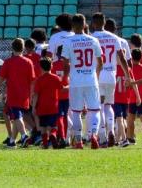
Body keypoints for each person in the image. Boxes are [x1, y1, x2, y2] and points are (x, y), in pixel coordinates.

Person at [90, 13, 131, 148]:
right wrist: (127, 75)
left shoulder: (91, 38)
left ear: (94, 24)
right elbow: (122, 58)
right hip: (111, 75)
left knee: (99, 106)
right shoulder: (114, 38)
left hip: (97, 75)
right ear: (104, 22)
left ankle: (102, 136)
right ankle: (111, 131)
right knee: (109, 105)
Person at [63, 14, 103, 149]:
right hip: (91, 79)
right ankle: (93, 135)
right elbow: (100, 62)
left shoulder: (68, 41)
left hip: (76, 81)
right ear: (85, 24)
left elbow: (66, 63)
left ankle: (79, 141)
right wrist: (95, 75)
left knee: (76, 112)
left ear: (73, 26)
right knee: (95, 110)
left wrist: (66, 77)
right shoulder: (93, 40)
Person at [0, 38, 37, 147]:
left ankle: (24, 136)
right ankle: (12, 141)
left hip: (13, 94)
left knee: (17, 117)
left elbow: (0, 78)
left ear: (12, 48)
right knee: (18, 117)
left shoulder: (8, 62)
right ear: (23, 49)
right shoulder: (28, 62)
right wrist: (31, 95)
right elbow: (32, 81)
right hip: (25, 95)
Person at [31, 58, 65, 148]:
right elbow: (62, 89)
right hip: (53, 106)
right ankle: (53, 135)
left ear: (41, 68)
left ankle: (45, 144)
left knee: (43, 127)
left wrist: (34, 107)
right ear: (51, 66)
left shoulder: (39, 80)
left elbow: (36, 95)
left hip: (42, 107)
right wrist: (70, 86)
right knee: (53, 126)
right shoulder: (56, 78)